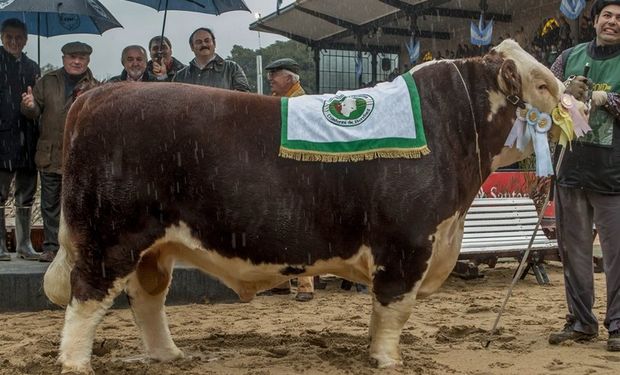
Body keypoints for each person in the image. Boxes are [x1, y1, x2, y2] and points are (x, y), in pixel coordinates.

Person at [548, 0, 620, 352]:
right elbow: (544, 91)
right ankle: (581, 322)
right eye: (608, 15)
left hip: (614, 177)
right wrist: (564, 89)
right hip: (570, 171)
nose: (613, 22)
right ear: (594, 21)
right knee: (574, 253)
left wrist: (610, 100)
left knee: (617, 256)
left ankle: (618, 326)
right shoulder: (570, 56)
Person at [20, 41, 97, 263]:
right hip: (50, 154)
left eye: (81, 57)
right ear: (63, 58)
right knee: (50, 205)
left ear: (88, 60)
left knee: (77, 207)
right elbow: (33, 113)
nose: (76, 61)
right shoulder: (46, 81)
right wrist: (29, 104)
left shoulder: (95, 86)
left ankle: (76, 250)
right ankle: (51, 247)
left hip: (80, 159)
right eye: (72, 56)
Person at [263, 58, 313, 301]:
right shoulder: (278, 101)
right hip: (282, 171)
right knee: (281, 226)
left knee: (298, 227)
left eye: (275, 74)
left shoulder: (301, 103)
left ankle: (305, 284)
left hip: (298, 172)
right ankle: (282, 281)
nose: (270, 78)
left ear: (290, 78)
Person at [0, 18, 40, 261]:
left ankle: (25, 244)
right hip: (1, 140)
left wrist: (33, 104)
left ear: (25, 40)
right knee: (0, 194)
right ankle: (1, 246)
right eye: (9, 37)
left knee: (26, 194)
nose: (14, 42)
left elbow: (39, 104)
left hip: (28, 140)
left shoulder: (32, 66)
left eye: (19, 38)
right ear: (2, 38)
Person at [173, 27, 250, 91]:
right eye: (198, 42)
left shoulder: (232, 68)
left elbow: (245, 97)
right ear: (192, 47)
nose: (203, 44)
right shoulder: (180, 76)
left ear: (214, 43)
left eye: (207, 41)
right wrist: (161, 77)